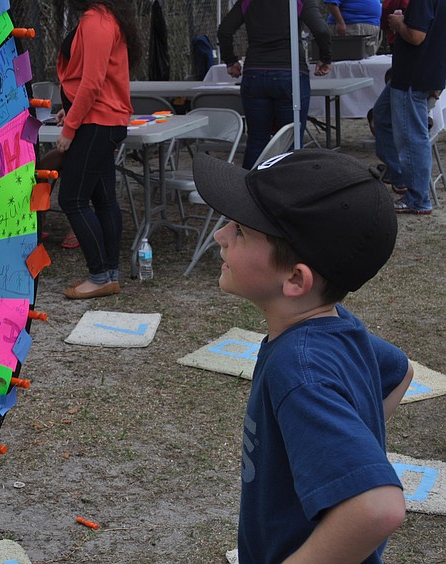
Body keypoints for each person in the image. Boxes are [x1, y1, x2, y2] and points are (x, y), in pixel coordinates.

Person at [191, 149, 413, 563]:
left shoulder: (300, 369)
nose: (220, 235)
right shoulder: (337, 328)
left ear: (295, 279)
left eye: (240, 229)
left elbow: (377, 507)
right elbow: (399, 371)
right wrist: (343, 453)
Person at [53, 0, 138, 299]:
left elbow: (92, 82)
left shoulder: (97, 21)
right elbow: (88, 81)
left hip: (98, 123)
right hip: (99, 119)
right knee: (103, 199)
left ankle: (100, 275)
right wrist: (71, 109)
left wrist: (69, 128)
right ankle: (108, 275)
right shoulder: (102, 17)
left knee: (72, 198)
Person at [218, 0, 332, 169]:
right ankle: (288, 191)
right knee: (291, 143)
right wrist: (325, 58)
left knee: (257, 140)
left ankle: (247, 189)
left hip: (255, 73)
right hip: (289, 73)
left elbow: (224, 30)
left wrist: (230, 60)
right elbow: (321, 30)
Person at [373, 0, 446, 215]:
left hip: (413, 76)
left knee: (412, 137)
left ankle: (418, 198)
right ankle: (401, 177)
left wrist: (398, 24)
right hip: (414, 73)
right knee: (382, 115)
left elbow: (416, 36)